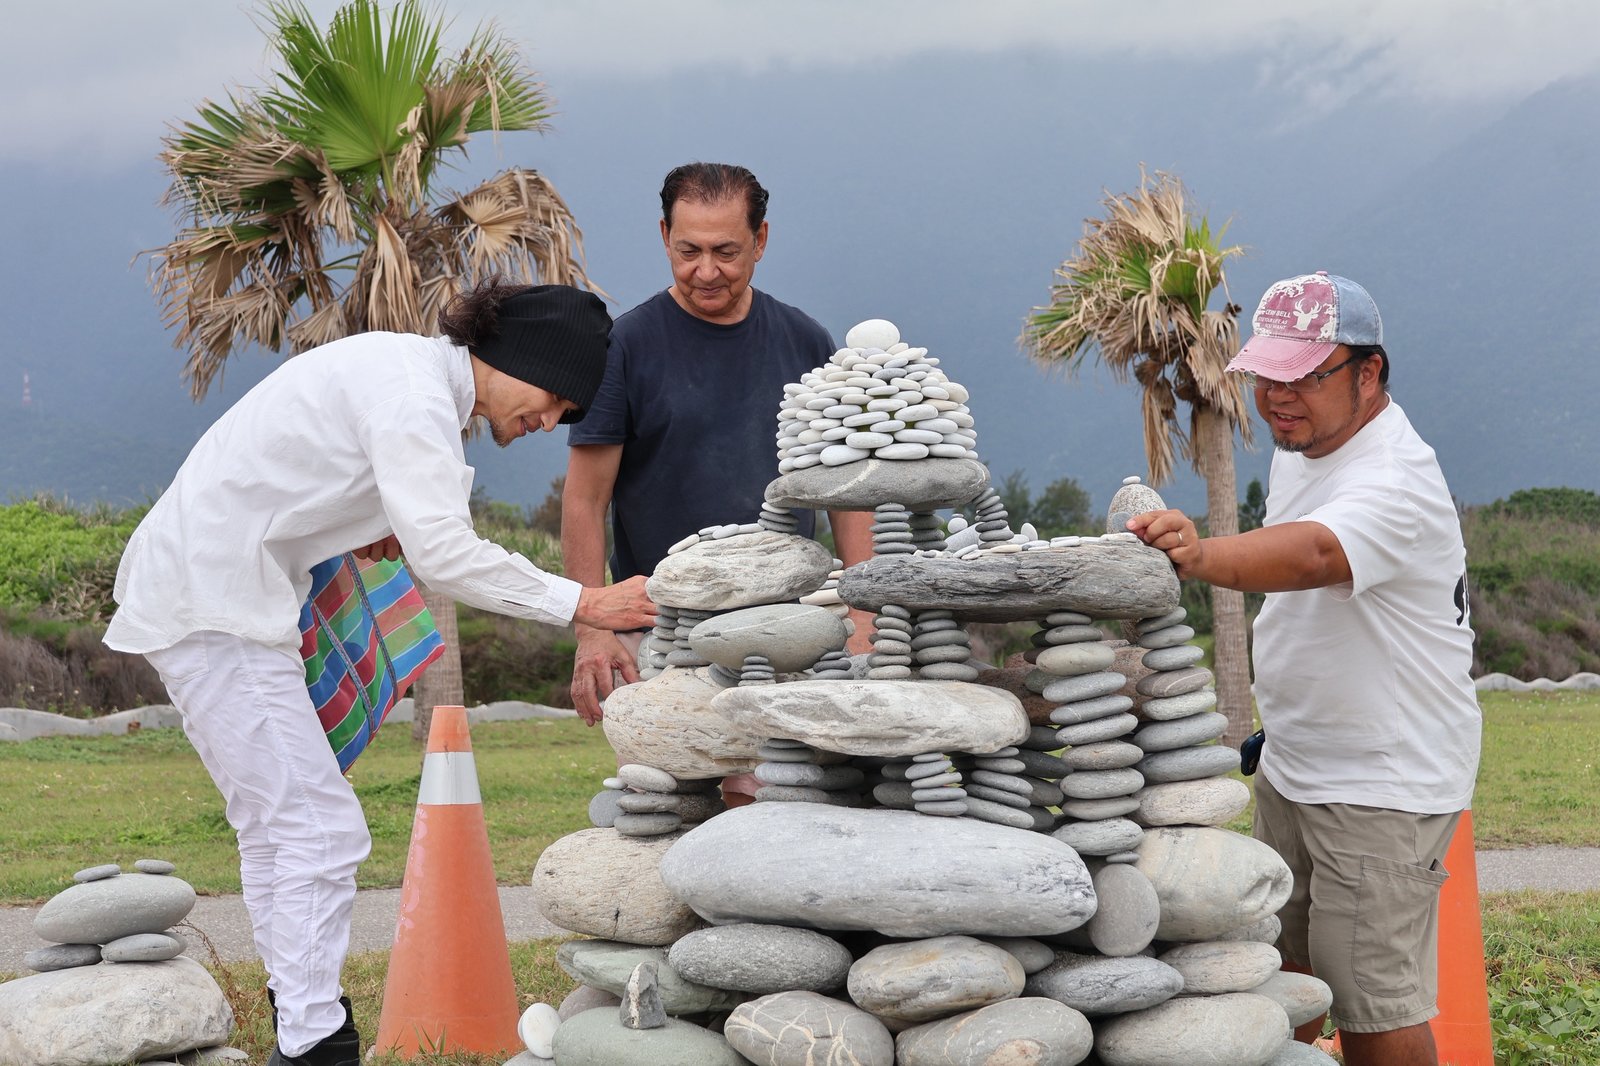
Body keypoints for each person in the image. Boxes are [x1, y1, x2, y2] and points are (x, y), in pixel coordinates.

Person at [104, 281, 656, 1066]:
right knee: (319, 830)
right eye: (557, 396)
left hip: (212, 595)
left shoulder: (409, 377)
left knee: (277, 830)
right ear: (514, 356)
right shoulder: (413, 394)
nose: (552, 420)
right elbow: (446, 552)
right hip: (215, 602)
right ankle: (314, 1040)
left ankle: (301, 1027)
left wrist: (366, 523)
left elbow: (339, 495)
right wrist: (587, 601)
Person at [1127, 271, 1480, 1066]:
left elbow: (1318, 553)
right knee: (1280, 977)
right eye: (1266, 376)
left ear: (1370, 373)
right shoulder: (1307, 446)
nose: (1280, 398)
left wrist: (1200, 553)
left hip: (1381, 783)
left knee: (1370, 1003)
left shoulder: (1396, 477)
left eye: (1305, 378)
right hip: (1297, 763)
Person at [562, 161, 873, 728]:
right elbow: (584, 499)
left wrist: (864, 612)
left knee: (775, 787)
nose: (706, 271)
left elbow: (844, 491)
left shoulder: (806, 342)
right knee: (671, 788)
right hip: (658, 624)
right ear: (663, 237)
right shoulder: (625, 346)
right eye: (688, 251)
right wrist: (594, 628)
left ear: (761, 240)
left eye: (726, 252)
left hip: (786, 617)